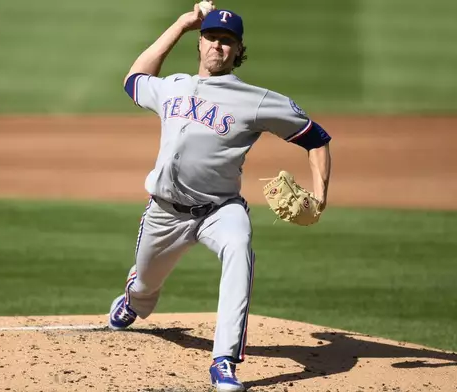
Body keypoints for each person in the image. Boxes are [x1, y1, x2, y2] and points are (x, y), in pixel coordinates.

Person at [108, 3, 332, 391]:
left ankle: (224, 361)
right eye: (211, 37)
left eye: (227, 41)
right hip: (165, 212)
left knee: (240, 246)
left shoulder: (257, 100)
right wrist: (181, 22)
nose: (218, 46)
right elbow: (134, 79)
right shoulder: (173, 86)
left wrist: (321, 194)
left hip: (220, 210)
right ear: (200, 43)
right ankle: (134, 299)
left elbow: (316, 138)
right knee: (145, 290)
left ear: (238, 50)